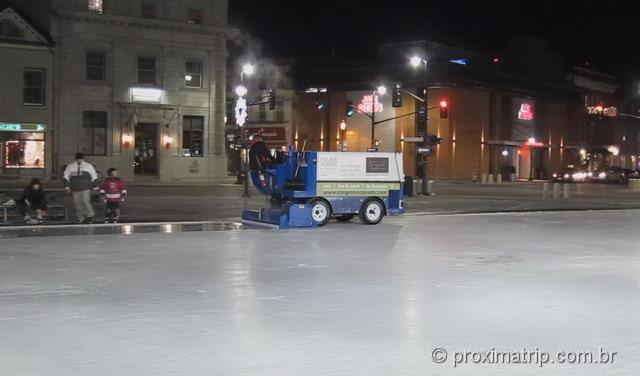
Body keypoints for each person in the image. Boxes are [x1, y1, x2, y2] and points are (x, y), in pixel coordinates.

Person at [63, 152, 99, 223]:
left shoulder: (89, 166)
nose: (79, 161)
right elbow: (65, 177)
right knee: (78, 204)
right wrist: (67, 187)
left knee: (85, 201)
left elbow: (94, 177)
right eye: (78, 159)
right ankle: (81, 218)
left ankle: (90, 215)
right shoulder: (70, 166)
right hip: (75, 189)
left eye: (81, 159)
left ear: (83, 159)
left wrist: (95, 187)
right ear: (75, 159)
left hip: (86, 188)